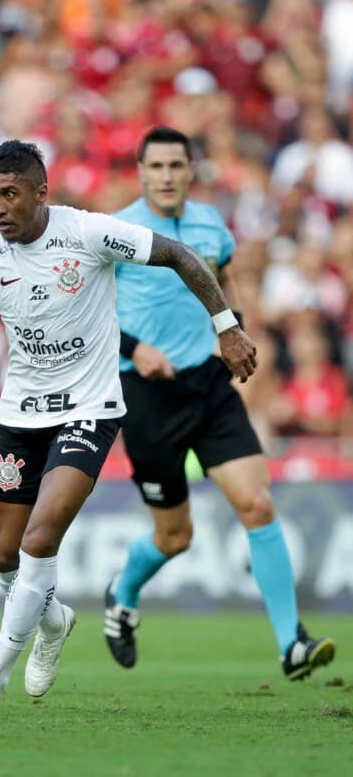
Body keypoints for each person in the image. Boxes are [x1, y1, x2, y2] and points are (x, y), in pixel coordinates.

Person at [0, 139, 257, 717]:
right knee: (4, 554)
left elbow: (183, 255)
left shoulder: (88, 233)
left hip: (89, 409)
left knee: (39, 541)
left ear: (41, 192)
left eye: (10, 194)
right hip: (21, 414)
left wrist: (226, 326)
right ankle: (52, 620)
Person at [105, 126, 336, 680]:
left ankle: (292, 645)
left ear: (191, 171)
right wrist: (134, 351)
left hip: (208, 385)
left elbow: (226, 276)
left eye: (175, 166)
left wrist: (232, 328)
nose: (165, 176)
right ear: (140, 172)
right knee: (174, 536)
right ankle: (123, 592)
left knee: (256, 504)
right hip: (147, 394)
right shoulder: (116, 230)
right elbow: (87, 311)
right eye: (155, 167)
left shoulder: (211, 224)